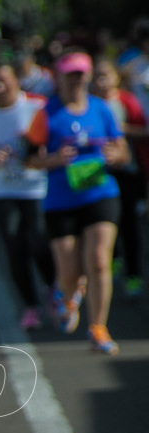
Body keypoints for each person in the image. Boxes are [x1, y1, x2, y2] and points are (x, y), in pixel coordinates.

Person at [26, 50, 129, 354]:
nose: (77, 80)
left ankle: (98, 327)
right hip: (60, 200)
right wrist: (55, 160)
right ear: (59, 78)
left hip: (101, 193)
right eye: (71, 74)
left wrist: (116, 156)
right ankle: (69, 291)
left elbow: (123, 152)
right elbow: (29, 159)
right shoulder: (46, 113)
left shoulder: (102, 109)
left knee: (98, 260)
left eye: (81, 74)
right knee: (69, 271)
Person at [0, 62, 55, 329]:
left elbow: (52, 139)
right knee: (14, 245)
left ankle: (52, 286)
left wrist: (40, 152)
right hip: (2, 188)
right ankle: (31, 306)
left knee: (39, 240)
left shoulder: (37, 106)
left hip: (35, 186)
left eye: (4, 80)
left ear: (16, 81)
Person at [90, 57, 148, 299]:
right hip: (96, 174)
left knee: (128, 224)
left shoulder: (126, 101)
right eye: (98, 77)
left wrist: (123, 129)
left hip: (126, 172)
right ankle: (112, 259)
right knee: (102, 223)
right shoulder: (87, 105)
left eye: (107, 76)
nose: (103, 82)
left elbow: (145, 131)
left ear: (116, 77)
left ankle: (133, 274)